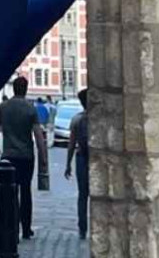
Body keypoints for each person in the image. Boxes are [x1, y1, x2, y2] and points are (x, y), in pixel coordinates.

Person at [0, 76, 44, 241]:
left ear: (14, 88)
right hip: (26, 156)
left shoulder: (3, 107)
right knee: (26, 192)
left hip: (8, 156)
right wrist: (43, 156)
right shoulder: (30, 108)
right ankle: (26, 228)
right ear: (26, 89)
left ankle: (10, 227)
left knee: (9, 194)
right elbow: (38, 134)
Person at [64, 88, 91, 238]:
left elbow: (71, 144)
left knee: (83, 195)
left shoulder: (76, 119)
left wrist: (68, 164)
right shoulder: (98, 118)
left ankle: (82, 227)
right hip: (95, 159)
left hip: (81, 158)